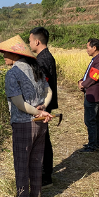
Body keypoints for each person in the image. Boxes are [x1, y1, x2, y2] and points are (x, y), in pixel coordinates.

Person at [0, 35, 53, 197]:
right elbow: (49, 92)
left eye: (5, 54)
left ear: (14, 55)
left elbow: (18, 103)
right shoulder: (36, 69)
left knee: (21, 165)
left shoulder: (13, 73)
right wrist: (43, 108)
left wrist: (37, 111)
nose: (3, 57)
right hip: (41, 123)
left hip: (23, 123)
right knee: (36, 161)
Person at [29, 27, 58, 186]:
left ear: (37, 41)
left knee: (42, 140)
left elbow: (42, 85)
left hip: (43, 105)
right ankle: (46, 173)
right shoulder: (47, 57)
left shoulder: (42, 60)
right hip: (45, 104)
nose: (29, 43)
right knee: (43, 138)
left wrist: (40, 106)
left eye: (30, 40)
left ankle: (46, 175)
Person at [78, 38, 99, 153]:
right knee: (94, 119)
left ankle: (93, 145)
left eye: (88, 47)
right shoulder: (95, 59)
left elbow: (94, 77)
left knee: (90, 120)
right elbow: (88, 75)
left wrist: (83, 85)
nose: (87, 50)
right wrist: (80, 81)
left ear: (94, 48)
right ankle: (95, 143)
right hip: (90, 92)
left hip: (93, 94)